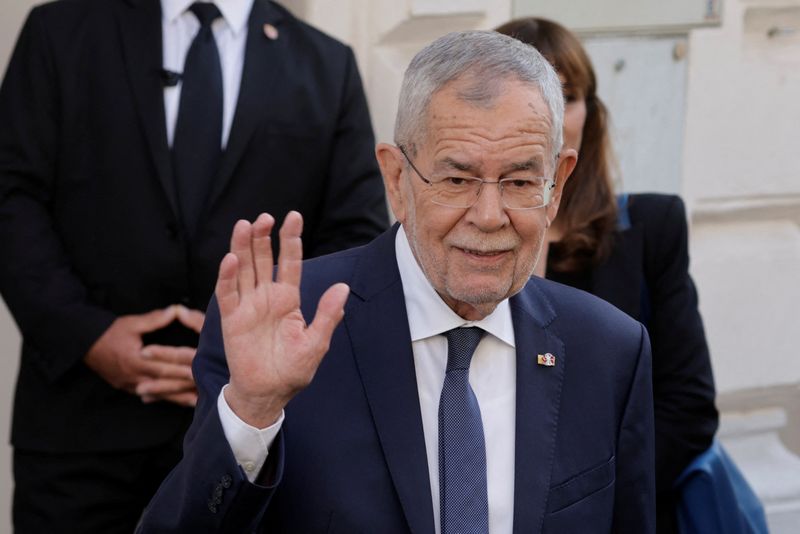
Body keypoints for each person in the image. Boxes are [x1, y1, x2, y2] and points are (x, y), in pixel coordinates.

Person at [138, 29, 655, 533]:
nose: (490, 215)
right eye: (457, 180)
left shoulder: (608, 350)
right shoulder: (287, 325)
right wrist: (252, 413)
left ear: (557, 184)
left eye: (520, 182)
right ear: (396, 179)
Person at [0, 0, 388, 530]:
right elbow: (11, 199)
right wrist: (88, 335)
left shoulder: (326, 64)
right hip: (79, 431)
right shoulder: (61, 30)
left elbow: (354, 238)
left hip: (250, 441)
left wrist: (243, 358)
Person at [495, 17, 719, 533]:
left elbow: (688, 410)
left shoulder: (652, 229)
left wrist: (582, 501)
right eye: (526, 92)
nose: (547, 113)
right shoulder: (460, 239)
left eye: (565, 95)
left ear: (589, 114)